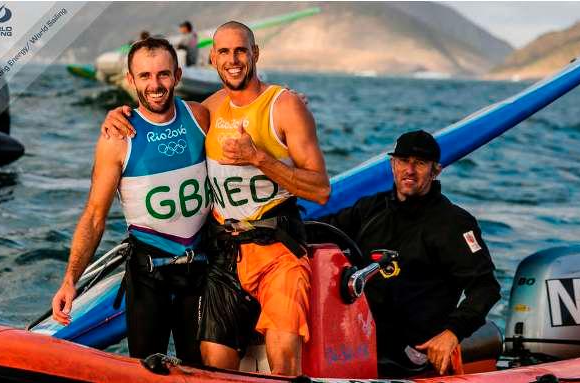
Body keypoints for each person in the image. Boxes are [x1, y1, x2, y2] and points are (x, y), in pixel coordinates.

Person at [100, 21, 330, 375]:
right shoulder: (207, 110)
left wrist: (259, 158)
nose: (233, 59)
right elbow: (160, 116)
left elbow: (321, 190)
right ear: (212, 59)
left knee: (283, 360)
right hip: (226, 255)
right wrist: (118, 114)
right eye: (224, 52)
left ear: (255, 54)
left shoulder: (284, 106)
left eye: (241, 50)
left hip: (278, 250)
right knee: (213, 365)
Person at [51, 37, 211, 365]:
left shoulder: (201, 117)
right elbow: (95, 214)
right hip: (147, 275)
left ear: (178, 75)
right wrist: (70, 280)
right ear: (130, 80)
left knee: (202, 369)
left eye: (163, 74)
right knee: (145, 371)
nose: (155, 84)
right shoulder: (117, 138)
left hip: (201, 270)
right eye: (145, 76)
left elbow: (245, 102)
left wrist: (287, 100)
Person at [321, 130, 501, 377]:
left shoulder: (453, 223)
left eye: (420, 163)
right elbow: (321, 231)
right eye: (403, 161)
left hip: (412, 353)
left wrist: (452, 333)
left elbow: (485, 288)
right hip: (358, 342)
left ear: (436, 170)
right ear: (392, 164)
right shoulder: (369, 208)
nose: (410, 170)